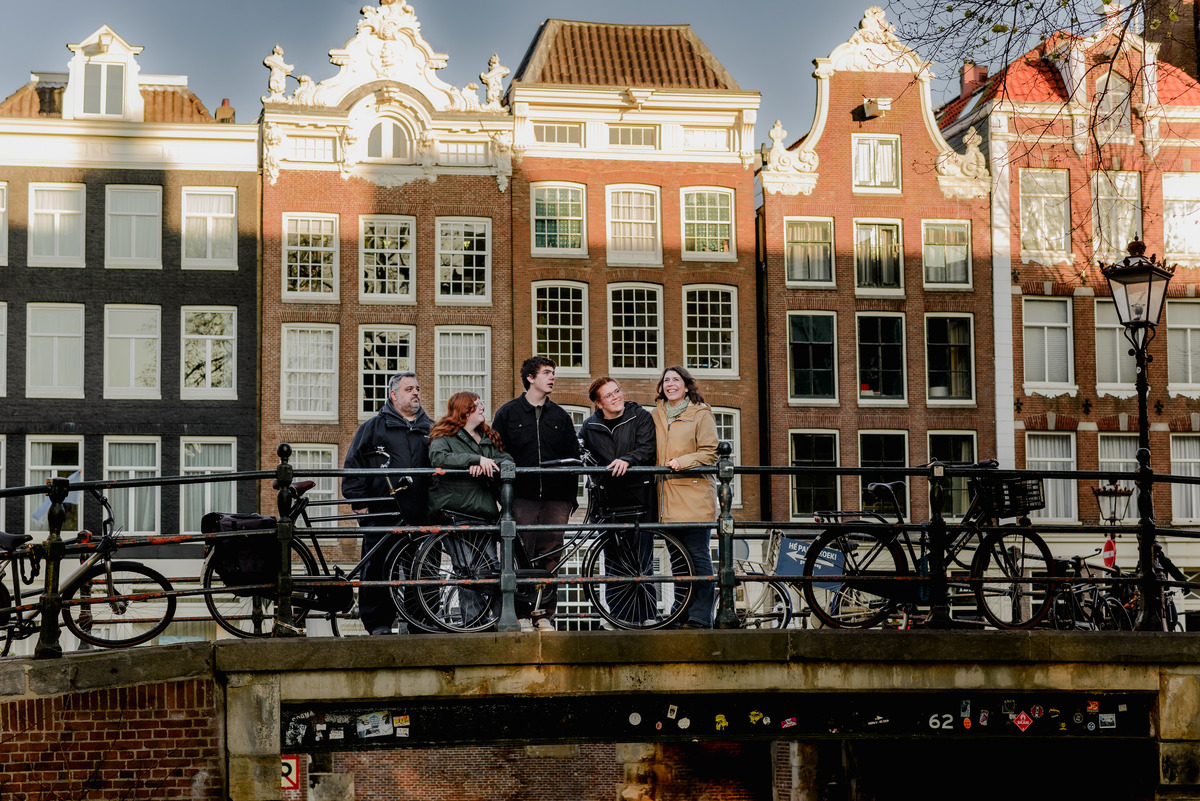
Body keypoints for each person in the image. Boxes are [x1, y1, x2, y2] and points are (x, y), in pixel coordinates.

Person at [490, 356, 580, 631]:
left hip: (555, 499)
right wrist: (504, 497)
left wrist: (568, 500)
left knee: (551, 556)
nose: (552, 377)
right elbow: (496, 454)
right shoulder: (508, 413)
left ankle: (543, 615)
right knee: (521, 554)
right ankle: (520, 614)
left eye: (553, 373)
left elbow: (573, 458)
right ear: (530, 378)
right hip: (521, 498)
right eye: (546, 373)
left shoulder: (561, 416)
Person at [342, 372, 432, 636]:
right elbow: (353, 466)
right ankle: (379, 624)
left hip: (422, 513)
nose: (416, 393)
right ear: (393, 395)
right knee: (377, 569)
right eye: (409, 389)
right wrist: (359, 501)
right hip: (382, 512)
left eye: (417, 388)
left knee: (424, 569)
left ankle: (422, 622)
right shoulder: (372, 428)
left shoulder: (431, 428)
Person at [428, 392, 514, 629]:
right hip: (456, 511)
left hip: (484, 512)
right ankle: (473, 623)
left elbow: (506, 459)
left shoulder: (487, 436)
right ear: (464, 410)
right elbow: (438, 456)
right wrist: (473, 460)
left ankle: (496, 620)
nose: (483, 407)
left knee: (493, 569)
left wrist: (490, 464)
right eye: (477, 404)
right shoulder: (445, 435)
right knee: (467, 571)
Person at [651, 366, 719, 629]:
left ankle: (701, 616)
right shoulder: (656, 415)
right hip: (666, 498)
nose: (670, 384)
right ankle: (680, 613)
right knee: (678, 560)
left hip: (693, 496)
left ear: (687, 386)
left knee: (698, 558)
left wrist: (683, 461)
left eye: (675, 380)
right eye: (666, 380)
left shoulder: (700, 413)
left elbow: (710, 451)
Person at [579, 377, 656, 519]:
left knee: (640, 540)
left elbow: (647, 447)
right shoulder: (589, 426)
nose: (616, 397)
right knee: (606, 541)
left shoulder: (640, 416)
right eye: (608, 395)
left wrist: (627, 460)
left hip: (638, 497)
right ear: (598, 403)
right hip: (605, 499)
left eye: (617, 391)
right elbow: (579, 451)